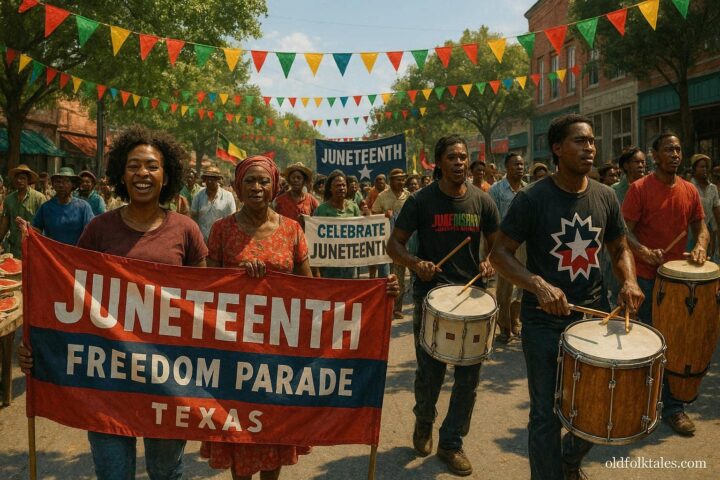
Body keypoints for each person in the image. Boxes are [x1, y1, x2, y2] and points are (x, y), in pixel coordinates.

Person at [20, 125, 208, 479]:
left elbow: (206, 303)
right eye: (134, 165)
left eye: (152, 166)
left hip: (167, 382)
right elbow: (67, 295)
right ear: (121, 172)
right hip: (106, 379)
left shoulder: (186, 231)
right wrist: (37, 347)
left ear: (166, 176)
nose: (143, 174)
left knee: (166, 473)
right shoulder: (99, 230)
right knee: (113, 474)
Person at [489, 114, 643, 480]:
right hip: (543, 322)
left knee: (601, 404)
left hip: (594, 317)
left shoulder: (605, 196)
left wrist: (630, 281)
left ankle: (569, 460)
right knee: (546, 413)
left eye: (591, 141)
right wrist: (538, 285)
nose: (589, 147)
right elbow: (500, 254)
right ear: (557, 148)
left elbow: (620, 247)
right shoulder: (531, 198)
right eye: (579, 141)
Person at [387, 134, 499, 477]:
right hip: (431, 297)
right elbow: (395, 245)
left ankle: (451, 442)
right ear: (439, 162)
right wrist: (416, 263)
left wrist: (490, 261)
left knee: (468, 378)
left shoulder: (483, 202)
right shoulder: (421, 201)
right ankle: (424, 419)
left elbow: (499, 245)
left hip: (473, 300)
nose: (459, 163)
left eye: (463, 157)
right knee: (430, 374)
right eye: (452, 157)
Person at [201, 155, 312, 480]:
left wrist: (377, 291)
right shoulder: (221, 230)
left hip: (279, 352)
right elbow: (207, 287)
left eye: (263, 181)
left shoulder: (292, 230)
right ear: (237, 186)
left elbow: (310, 288)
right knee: (239, 427)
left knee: (274, 425)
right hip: (233, 351)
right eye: (249, 180)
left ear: (274, 186)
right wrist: (237, 278)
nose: (257, 187)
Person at [623, 132, 709, 437]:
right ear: (655, 155)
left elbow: (702, 229)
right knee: (647, 345)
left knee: (675, 344)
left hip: (679, 284)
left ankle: (673, 408)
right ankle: (640, 407)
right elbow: (623, 235)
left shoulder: (689, 191)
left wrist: (700, 245)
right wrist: (643, 251)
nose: (675, 154)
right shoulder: (638, 189)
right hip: (646, 279)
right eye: (668, 150)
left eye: (678, 149)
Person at [488, 153, 526, 343]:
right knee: (504, 288)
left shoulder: (528, 190)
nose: (519, 167)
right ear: (506, 168)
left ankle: (515, 321)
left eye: (521, 164)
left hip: (524, 245)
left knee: (521, 286)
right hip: (503, 245)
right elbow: (490, 221)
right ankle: (504, 327)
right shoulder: (496, 190)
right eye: (515, 164)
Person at [372, 168, 410, 318]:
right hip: (385, 244)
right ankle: (385, 306)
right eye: (397, 179)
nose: (401, 182)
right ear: (390, 181)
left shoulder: (408, 196)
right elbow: (373, 214)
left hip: (403, 243)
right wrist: (383, 215)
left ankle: (397, 308)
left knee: (399, 275)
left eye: (402, 179)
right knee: (386, 274)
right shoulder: (382, 196)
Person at [313, 170, 361, 279]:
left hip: (349, 261)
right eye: (338, 185)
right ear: (330, 188)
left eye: (344, 185)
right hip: (329, 263)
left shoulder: (353, 207)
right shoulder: (321, 210)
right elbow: (315, 239)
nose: (342, 188)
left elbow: (360, 232)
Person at [31, 167, 94, 245]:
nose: (61, 185)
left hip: (75, 254)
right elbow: (36, 230)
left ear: (73, 185)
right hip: (52, 254)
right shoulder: (46, 207)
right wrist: (26, 227)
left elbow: (91, 233)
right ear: (53, 185)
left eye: (66, 181)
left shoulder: (83, 207)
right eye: (58, 181)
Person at [0, 164, 46, 258]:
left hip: (33, 246)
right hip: (14, 247)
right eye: (17, 178)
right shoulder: (9, 199)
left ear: (28, 181)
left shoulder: (39, 198)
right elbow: (5, 225)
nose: (19, 181)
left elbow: (46, 225)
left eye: (22, 178)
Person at [191, 166, 236, 241]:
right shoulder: (198, 195)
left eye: (213, 179)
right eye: (207, 179)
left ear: (218, 180)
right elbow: (193, 217)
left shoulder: (228, 196)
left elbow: (232, 220)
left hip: (221, 239)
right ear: (204, 180)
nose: (209, 181)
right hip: (201, 240)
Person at [689, 154, 720, 258]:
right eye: (701, 167)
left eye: (706, 167)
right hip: (690, 231)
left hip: (708, 231)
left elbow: (716, 215)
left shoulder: (713, 188)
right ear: (694, 169)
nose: (705, 169)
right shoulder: (690, 187)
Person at [273, 162, 318, 227]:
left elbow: (317, 222)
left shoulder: (312, 201)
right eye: (293, 177)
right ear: (289, 180)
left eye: (299, 178)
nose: (295, 180)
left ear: (304, 181)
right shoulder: (279, 201)